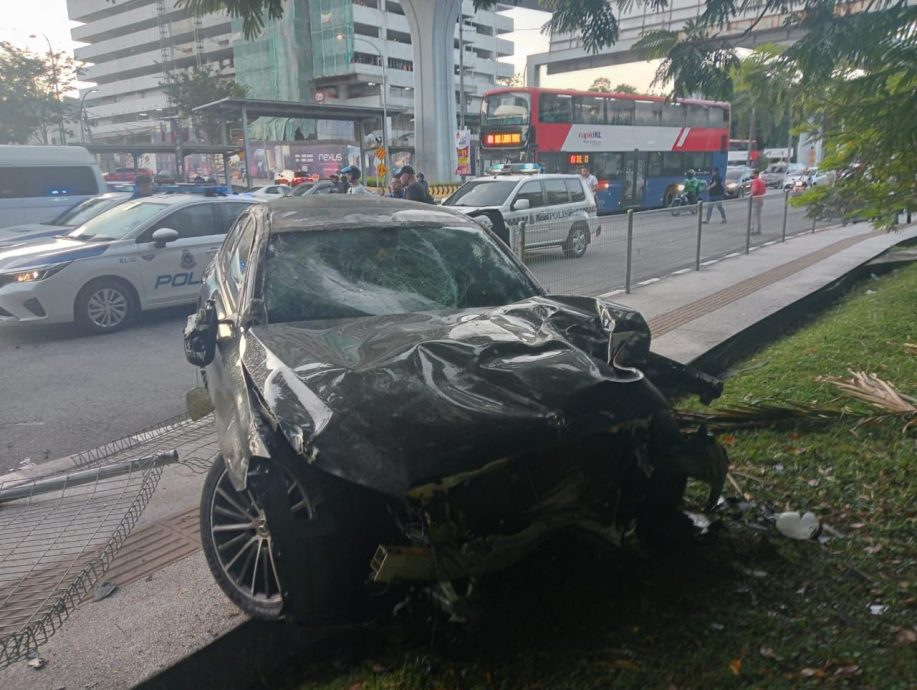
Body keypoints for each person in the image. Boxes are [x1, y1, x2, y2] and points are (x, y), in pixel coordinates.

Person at [750, 170, 766, 235]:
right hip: (761, 199)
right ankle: (759, 229)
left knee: (753, 216)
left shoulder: (755, 181)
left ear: (755, 174)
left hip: (755, 199)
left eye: (753, 174)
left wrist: (751, 195)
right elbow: (764, 191)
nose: (752, 175)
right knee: (758, 216)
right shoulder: (762, 181)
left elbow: (754, 190)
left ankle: (752, 230)